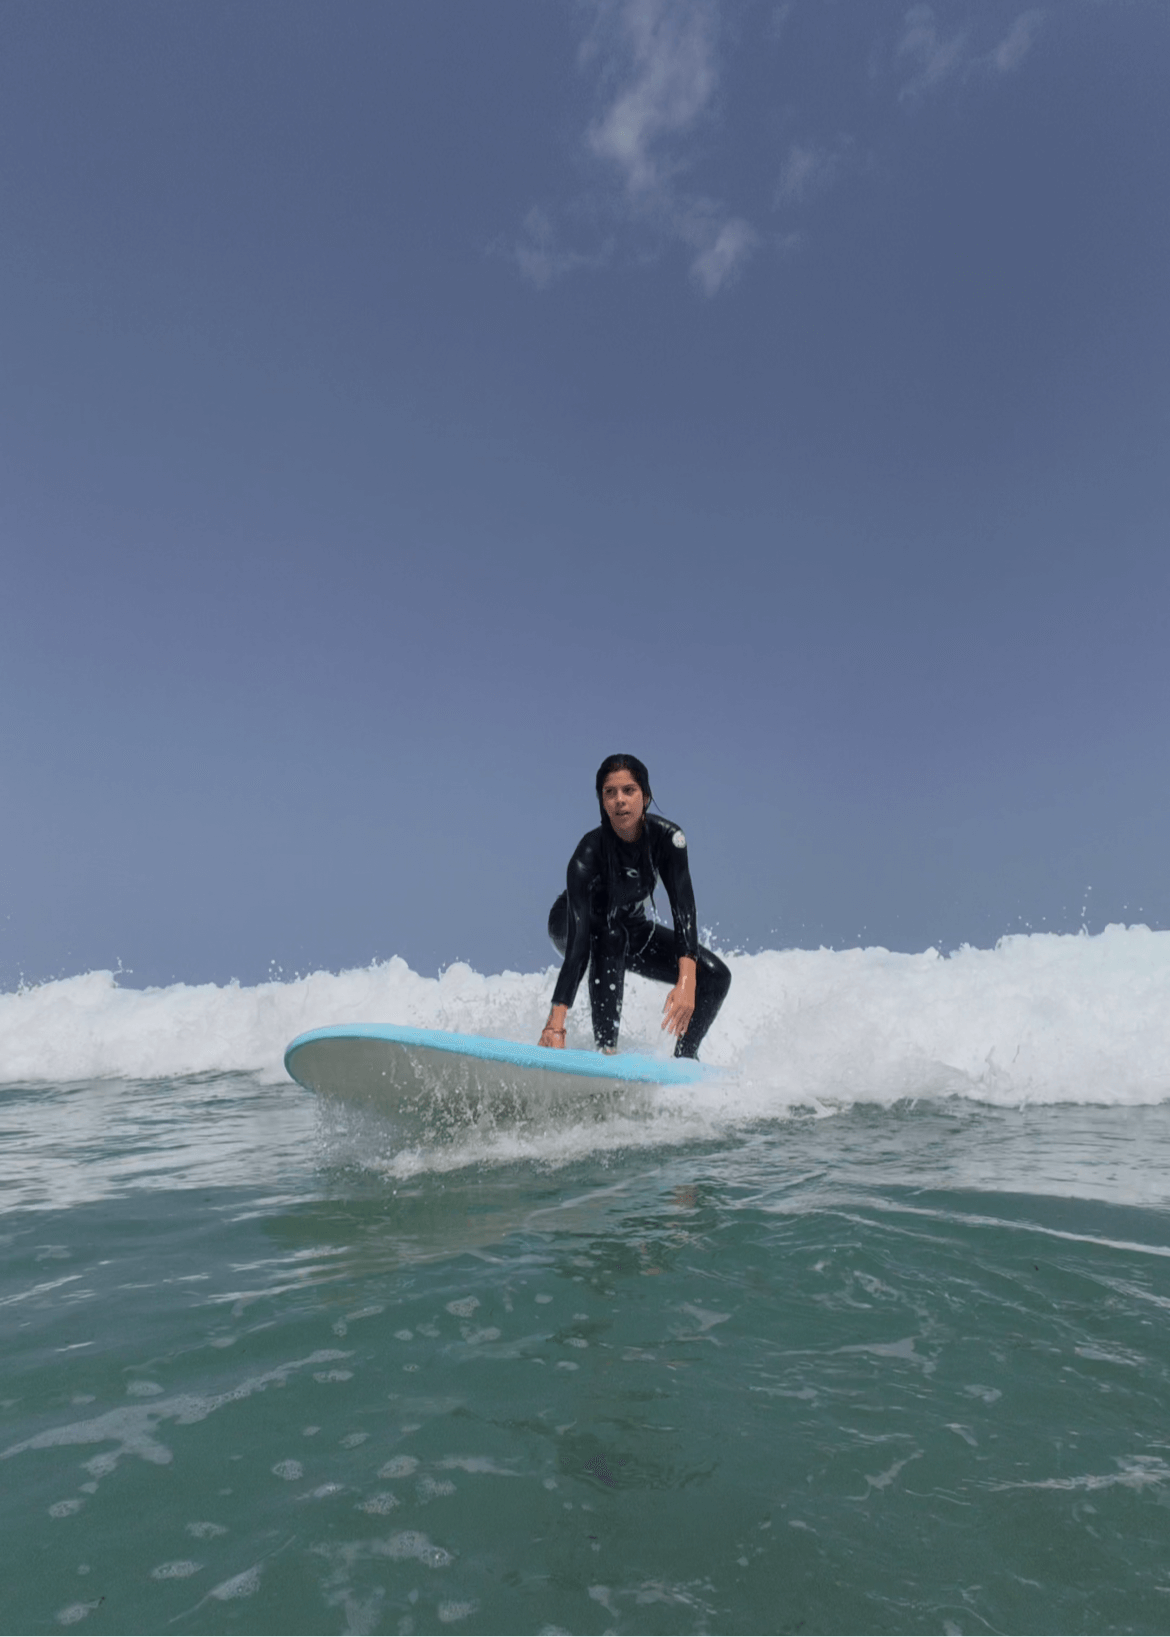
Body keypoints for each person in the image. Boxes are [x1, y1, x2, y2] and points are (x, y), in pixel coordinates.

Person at [538, 755, 731, 1059]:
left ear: (646, 796)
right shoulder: (588, 852)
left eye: (629, 790)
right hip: (571, 924)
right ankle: (606, 1051)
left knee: (716, 976)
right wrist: (555, 1023)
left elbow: (684, 910)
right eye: (609, 792)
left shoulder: (668, 839)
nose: (620, 801)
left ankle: (684, 1058)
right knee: (610, 934)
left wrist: (686, 981)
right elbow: (577, 943)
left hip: (632, 928)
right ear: (602, 801)